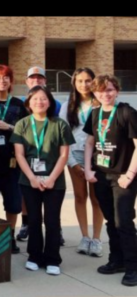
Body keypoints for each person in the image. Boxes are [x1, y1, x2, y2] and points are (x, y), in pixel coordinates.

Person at [11, 86, 74, 276]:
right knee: (34, 219)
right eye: (35, 99)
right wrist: (31, 177)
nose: (39, 102)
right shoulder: (22, 124)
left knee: (52, 220)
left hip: (55, 182)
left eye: (44, 99)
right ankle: (34, 256)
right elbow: (19, 155)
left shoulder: (59, 124)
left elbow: (63, 155)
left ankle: (53, 258)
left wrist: (52, 178)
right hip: (29, 181)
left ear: (50, 102)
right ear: (29, 103)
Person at [83, 75, 137, 287]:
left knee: (124, 221)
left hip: (123, 177)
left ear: (117, 91)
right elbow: (89, 143)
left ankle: (133, 266)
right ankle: (117, 260)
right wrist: (88, 170)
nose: (105, 94)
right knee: (111, 221)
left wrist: (129, 175)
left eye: (110, 90)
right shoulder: (95, 113)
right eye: (101, 91)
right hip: (101, 175)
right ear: (95, 93)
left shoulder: (127, 112)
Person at [0, 65, 28, 254]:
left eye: (6, 77)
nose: (2, 81)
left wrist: (9, 127)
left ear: (11, 81)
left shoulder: (19, 104)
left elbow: (27, 131)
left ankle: (9, 236)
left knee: (13, 204)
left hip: (13, 162)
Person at [60, 68, 104, 257]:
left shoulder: (101, 103)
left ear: (93, 82)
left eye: (88, 81)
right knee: (79, 196)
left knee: (97, 198)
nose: (84, 85)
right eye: (80, 81)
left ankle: (96, 239)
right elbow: (63, 136)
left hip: (97, 156)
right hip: (75, 155)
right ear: (74, 83)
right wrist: (72, 163)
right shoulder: (67, 106)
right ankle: (84, 236)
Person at [18, 66, 64, 243]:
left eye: (40, 78)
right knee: (27, 196)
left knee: (52, 203)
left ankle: (55, 230)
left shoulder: (54, 104)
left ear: (45, 80)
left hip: (50, 159)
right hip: (28, 157)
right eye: (32, 78)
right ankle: (26, 224)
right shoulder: (22, 102)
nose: (36, 81)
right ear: (27, 81)